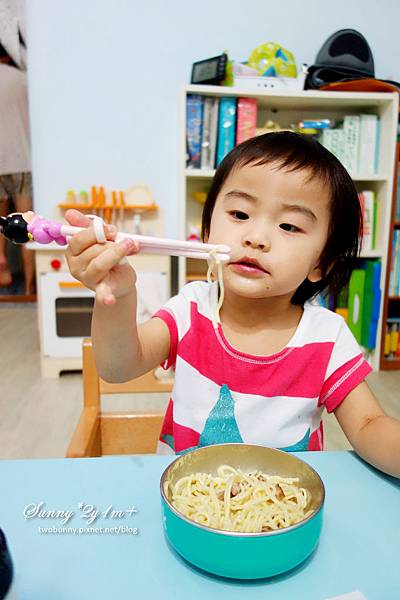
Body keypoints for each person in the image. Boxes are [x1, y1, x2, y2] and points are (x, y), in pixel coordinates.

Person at [64, 131, 400, 478]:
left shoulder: (326, 338)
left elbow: (369, 425)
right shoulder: (192, 310)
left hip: (279, 514)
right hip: (188, 501)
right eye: (240, 214)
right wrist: (117, 295)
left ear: (321, 263)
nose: (255, 238)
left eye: (289, 225)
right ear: (207, 230)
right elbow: (118, 367)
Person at [0, 40, 34, 295]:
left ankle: (3, 268)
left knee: (1, 224)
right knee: (27, 227)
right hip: (22, 159)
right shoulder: (23, 80)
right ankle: (30, 288)